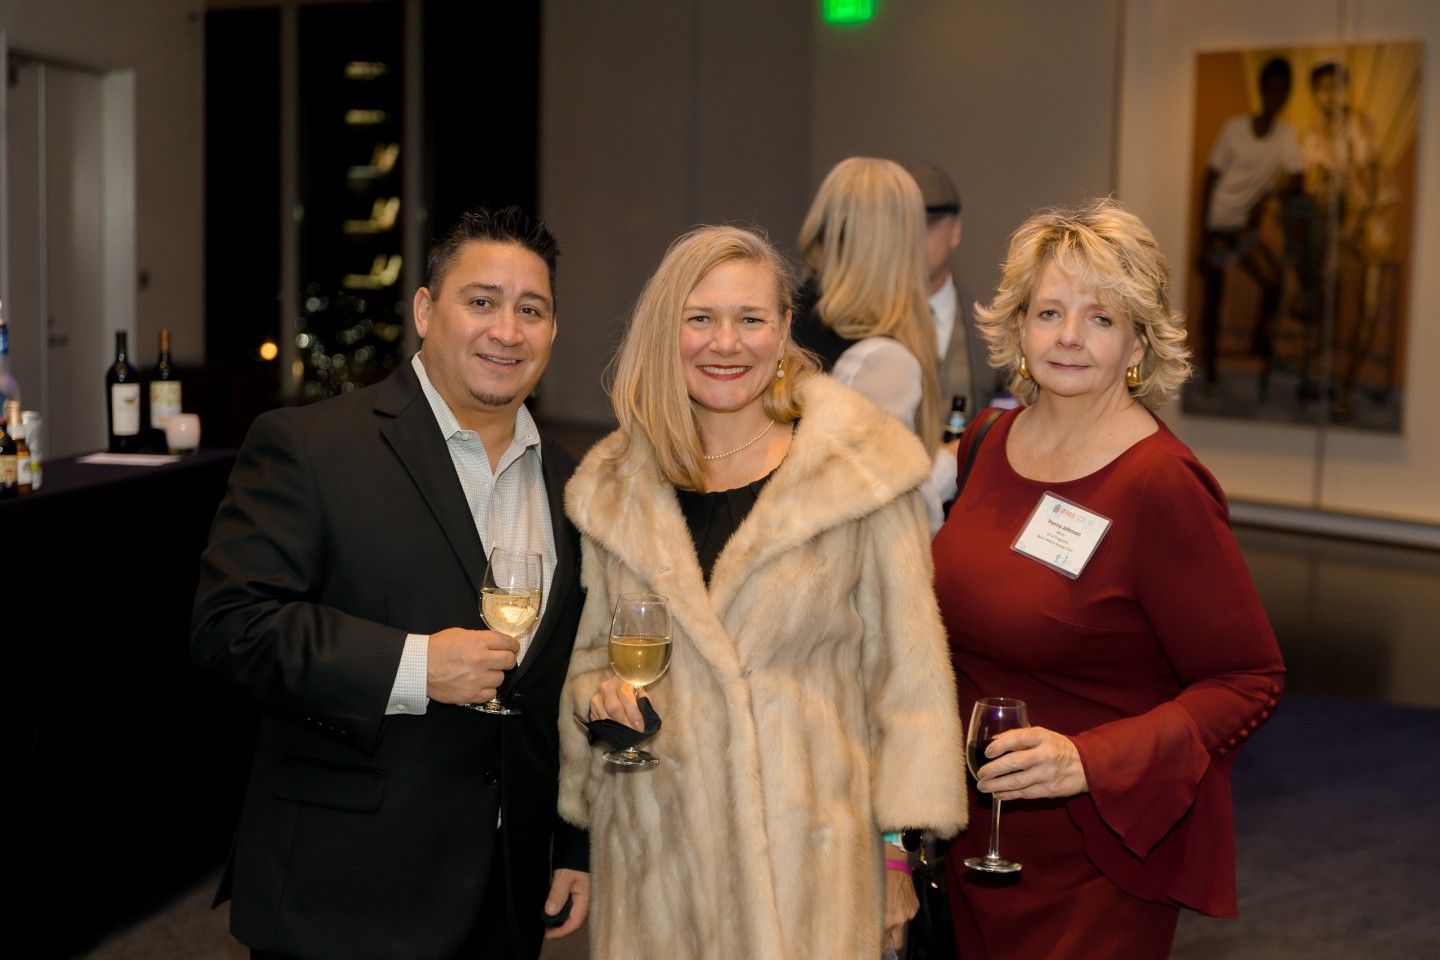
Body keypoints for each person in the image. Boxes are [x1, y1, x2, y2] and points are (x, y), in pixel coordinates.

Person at [191, 207, 589, 960]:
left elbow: (567, 685)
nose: (507, 330)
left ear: (552, 330)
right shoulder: (309, 446)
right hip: (344, 898)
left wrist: (574, 844)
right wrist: (415, 667)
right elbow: (228, 628)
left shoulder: (576, 485)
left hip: (505, 898)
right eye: (481, 302)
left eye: (530, 309)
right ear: (425, 310)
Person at [558, 225, 966, 959]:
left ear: (783, 330)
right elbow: (590, 658)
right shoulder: (614, 490)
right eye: (700, 319)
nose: (726, 343)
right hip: (657, 872)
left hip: (815, 877)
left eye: (750, 319)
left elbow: (907, 685)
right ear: (666, 330)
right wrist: (599, 698)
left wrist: (898, 856)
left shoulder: (857, 476)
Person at [932, 199, 1285, 959]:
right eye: (1049, 310)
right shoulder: (988, 444)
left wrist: (1088, 761)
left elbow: (1248, 680)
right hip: (970, 829)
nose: (1067, 337)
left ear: (1137, 340)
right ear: (1018, 326)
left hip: (1096, 854)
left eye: (1099, 318)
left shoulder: (1161, 485)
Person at [791, 156, 954, 531]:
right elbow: (888, 510)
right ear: (903, 244)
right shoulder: (883, 360)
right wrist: (950, 464)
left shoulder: (784, 321)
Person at [1196, 55, 1305, 396]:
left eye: (1283, 90)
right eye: (1272, 88)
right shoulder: (1234, 129)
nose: (1277, 95)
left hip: (1245, 230)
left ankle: (1259, 339)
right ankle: (1209, 368)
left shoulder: (1286, 136)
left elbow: (1299, 182)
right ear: (1262, 89)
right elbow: (1210, 178)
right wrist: (1202, 233)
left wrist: (1270, 193)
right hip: (1218, 226)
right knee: (1214, 297)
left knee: (1273, 282)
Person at [904, 159, 1004, 414]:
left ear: (956, 230)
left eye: (929, 225)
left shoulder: (992, 327)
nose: (916, 239)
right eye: (905, 226)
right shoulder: (861, 323)